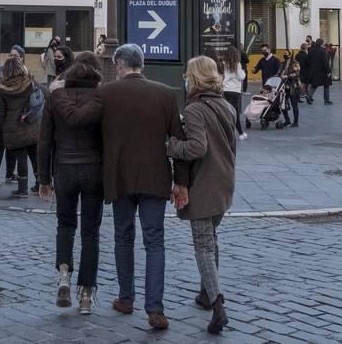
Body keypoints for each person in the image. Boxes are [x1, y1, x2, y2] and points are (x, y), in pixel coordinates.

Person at [59, 43, 186, 332]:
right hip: (155, 177)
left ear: (118, 65)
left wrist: (58, 92)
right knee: (154, 242)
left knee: (123, 237)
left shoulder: (107, 92)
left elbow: (78, 119)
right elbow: (178, 143)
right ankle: (155, 308)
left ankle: (126, 297)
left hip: (119, 177)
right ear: (141, 64)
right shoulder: (165, 93)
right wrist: (181, 182)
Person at [167, 56, 237, 335]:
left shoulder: (195, 109)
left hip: (203, 184)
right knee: (211, 238)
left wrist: (170, 145)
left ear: (194, 78)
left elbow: (197, 147)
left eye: (187, 75)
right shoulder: (226, 106)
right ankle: (206, 294)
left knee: (203, 246)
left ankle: (218, 304)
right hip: (224, 181)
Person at [38, 51, 104, 315]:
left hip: (64, 167)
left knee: (64, 224)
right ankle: (86, 294)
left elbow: (44, 140)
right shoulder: (101, 98)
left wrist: (44, 178)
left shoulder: (55, 97)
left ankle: (64, 273)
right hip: (93, 167)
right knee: (91, 232)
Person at [0, 56, 40, 199]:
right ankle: (39, 184)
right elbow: (41, 97)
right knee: (35, 156)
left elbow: (0, 111)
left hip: (13, 127)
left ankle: (22, 189)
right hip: (31, 124)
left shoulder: (2, 88)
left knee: (21, 158)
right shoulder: (30, 82)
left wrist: (5, 124)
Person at [0, 44, 26, 187]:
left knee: (12, 145)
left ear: (21, 58)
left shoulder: (24, 73)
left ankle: (10, 174)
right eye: (10, 55)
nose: (12, 58)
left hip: (14, 116)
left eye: (15, 56)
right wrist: (3, 83)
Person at [219, 46, 247, 139]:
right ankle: (238, 133)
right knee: (234, 112)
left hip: (225, 89)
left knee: (228, 111)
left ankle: (239, 133)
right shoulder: (237, 64)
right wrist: (243, 72)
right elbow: (241, 77)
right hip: (235, 91)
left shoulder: (223, 63)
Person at [306, 38, 332, 105]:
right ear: (321, 43)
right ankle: (326, 100)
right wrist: (328, 71)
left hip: (314, 71)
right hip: (322, 71)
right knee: (326, 85)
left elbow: (308, 60)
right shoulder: (322, 51)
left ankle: (309, 96)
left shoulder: (311, 50)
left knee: (314, 85)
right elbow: (325, 62)